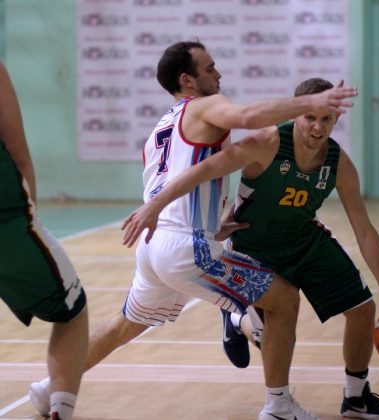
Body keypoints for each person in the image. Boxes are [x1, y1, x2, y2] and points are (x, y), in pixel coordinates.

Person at [29, 41, 357, 420]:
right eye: (210, 68)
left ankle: (50, 387)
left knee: (126, 324)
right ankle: (276, 399)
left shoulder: (163, 126)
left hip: (157, 246)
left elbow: (182, 179)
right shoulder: (203, 106)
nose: (219, 74)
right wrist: (310, 102)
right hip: (186, 247)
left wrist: (215, 224)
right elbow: (248, 116)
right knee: (283, 300)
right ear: (188, 80)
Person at [218, 77, 379, 419]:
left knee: (363, 309)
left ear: (337, 118)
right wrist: (216, 219)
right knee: (270, 332)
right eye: (310, 117)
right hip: (254, 246)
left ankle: (356, 397)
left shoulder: (338, 162)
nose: (318, 127)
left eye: (326, 119)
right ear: (296, 113)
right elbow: (212, 171)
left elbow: (364, 229)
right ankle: (236, 319)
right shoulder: (268, 143)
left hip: (304, 240)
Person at [0, 62, 89, 420]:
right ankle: (60, 411)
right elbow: (18, 152)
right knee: (72, 310)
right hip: (6, 220)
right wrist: (31, 215)